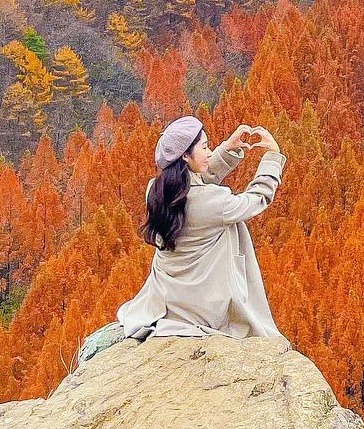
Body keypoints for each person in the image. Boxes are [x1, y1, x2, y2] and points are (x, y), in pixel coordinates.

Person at [114, 117, 287, 341]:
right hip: (205, 303)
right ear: (185, 156)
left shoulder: (155, 191)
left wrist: (226, 150)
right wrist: (273, 157)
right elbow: (258, 198)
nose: (209, 151)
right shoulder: (214, 202)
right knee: (232, 226)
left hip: (168, 298)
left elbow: (194, 180)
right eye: (205, 147)